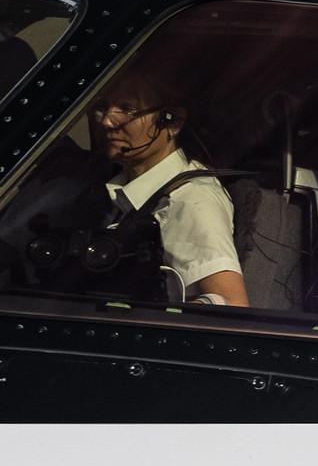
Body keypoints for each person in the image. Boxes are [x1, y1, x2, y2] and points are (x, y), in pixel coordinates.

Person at [90, 68, 248, 307]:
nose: (107, 121)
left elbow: (231, 305)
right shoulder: (122, 190)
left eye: (126, 108)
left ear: (173, 122)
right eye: (104, 106)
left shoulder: (191, 199)